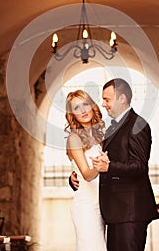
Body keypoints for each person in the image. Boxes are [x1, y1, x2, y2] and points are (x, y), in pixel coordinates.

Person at [70, 78, 159, 251]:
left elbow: (139, 166)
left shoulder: (137, 125)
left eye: (107, 99)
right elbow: (92, 164)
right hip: (113, 212)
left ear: (122, 99)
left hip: (130, 212)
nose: (103, 104)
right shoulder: (110, 129)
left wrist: (109, 167)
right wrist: (74, 177)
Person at [65, 89, 108, 251]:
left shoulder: (101, 135)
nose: (82, 110)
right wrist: (99, 165)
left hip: (101, 206)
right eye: (76, 108)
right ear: (72, 114)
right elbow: (86, 174)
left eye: (85, 104)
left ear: (92, 106)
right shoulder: (74, 138)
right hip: (86, 207)